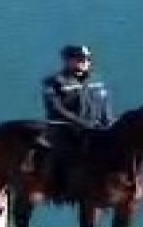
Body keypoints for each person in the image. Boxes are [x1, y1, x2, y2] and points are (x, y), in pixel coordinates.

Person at [25, 44, 115, 191]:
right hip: (65, 130)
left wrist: (109, 123)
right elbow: (57, 108)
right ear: (68, 61)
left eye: (86, 60)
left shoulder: (97, 82)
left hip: (96, 130)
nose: (84, 63)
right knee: (64, 155)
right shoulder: (54, 82)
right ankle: (55, 186)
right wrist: (81, 123)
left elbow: (105, 106)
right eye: (79, 59)